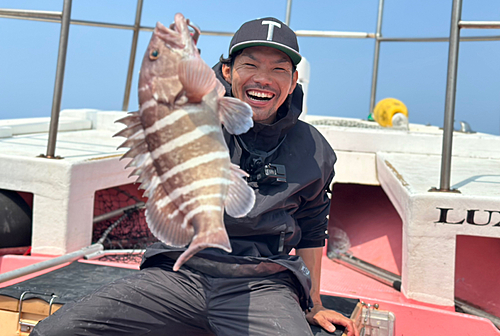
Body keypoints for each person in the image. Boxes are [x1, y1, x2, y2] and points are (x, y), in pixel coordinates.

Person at [32, 17, 358, 336]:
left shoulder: (314, 147)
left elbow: (313, 227)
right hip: (179, 270)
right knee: (57, 331)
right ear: (227, 72)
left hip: (263, 285)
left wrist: (314, 303)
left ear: (293, 79)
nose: (264, 78)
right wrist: (183, 58)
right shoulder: (198, 108)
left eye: (278, 69)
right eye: (250, 65)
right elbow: (167, 97)